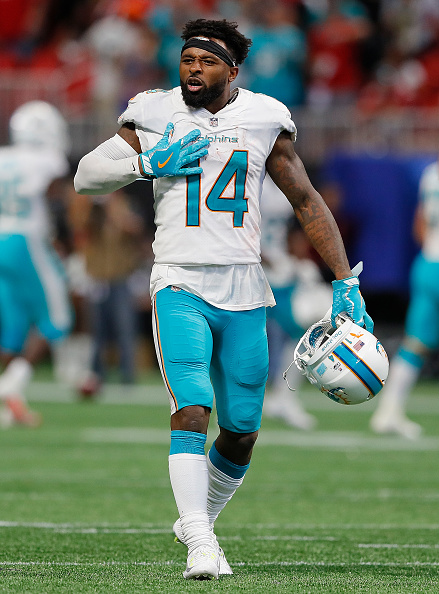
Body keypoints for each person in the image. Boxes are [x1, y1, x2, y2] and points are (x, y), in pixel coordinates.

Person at [74, 18, 372, 581]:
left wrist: (344, 280)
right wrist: (143, 166)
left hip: (244, 286)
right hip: (179, 280)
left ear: (232, 71)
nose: (193, 70)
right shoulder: (155, 110)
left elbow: (306, 200)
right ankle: (200, 541)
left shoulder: (263, 116)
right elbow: (86, 176)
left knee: (241, 429)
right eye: (187, 59)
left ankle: (198, 522)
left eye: (207, 62)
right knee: (191, 405)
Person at [0, 101, 73, 427]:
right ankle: (10, 385)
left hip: (1, 239)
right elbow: (55, 201)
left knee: (13, 327)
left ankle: (11, 402)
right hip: (27, 240)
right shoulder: (46, 160)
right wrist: (64, 242)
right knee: (57, 318)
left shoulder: (3, 157)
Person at [370, 156, 439, 440]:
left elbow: (419, 225)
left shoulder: (431, 172)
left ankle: (388, 412)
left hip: (428, 263)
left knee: (416, 343)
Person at [261, 175, 332, 430]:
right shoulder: (251, 183)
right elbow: (238, 231)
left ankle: (283, 397)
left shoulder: (279, 184)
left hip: (278, 272)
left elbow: (294, 230)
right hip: (255, 270)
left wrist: (294, 261)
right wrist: (266, 259)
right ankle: (279, 397)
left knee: (302, 333)